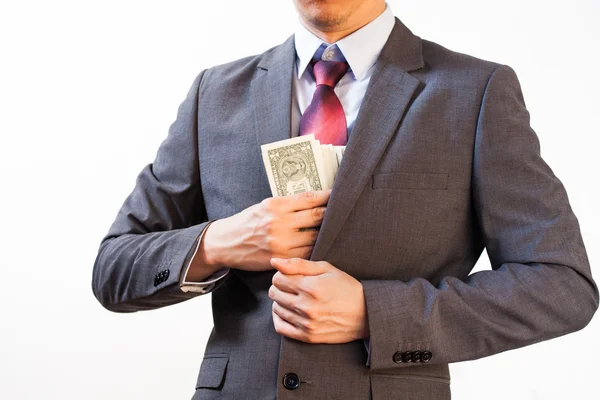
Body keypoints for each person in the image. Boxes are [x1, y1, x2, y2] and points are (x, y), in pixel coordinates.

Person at [91, 1, 598, 399]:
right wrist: (217, 242)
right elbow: (113, 269)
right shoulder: (215, 92)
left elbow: (561, 284)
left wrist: (374, 313)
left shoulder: (475, 92)